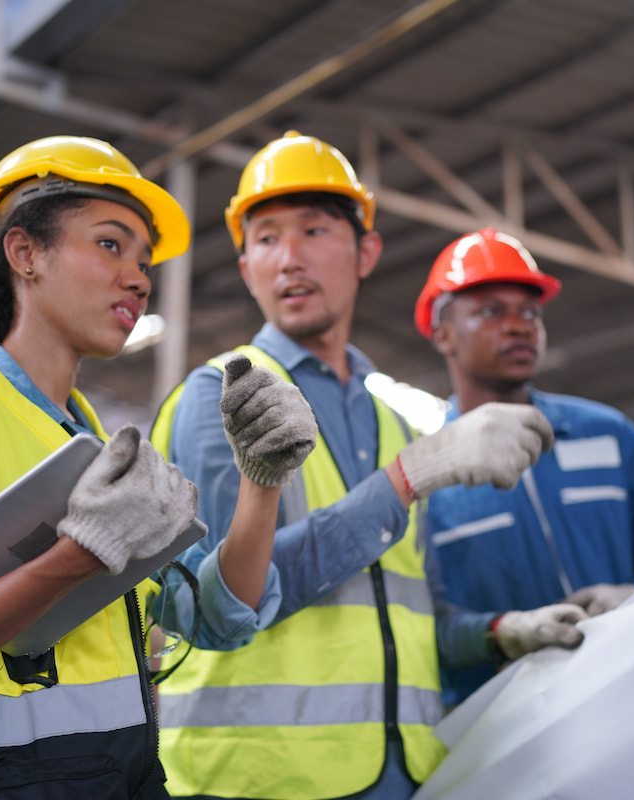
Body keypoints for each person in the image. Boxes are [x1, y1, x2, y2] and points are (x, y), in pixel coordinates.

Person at [0, 135, 317, 800]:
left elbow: (214, 616)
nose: (139, 278)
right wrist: (74, 559)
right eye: (110, 244)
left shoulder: (94, 445)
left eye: (144, 262)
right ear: (25, 254)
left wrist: (262, 482)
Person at [150, 131, 586, 800]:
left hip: (402, 775)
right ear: (245, 269)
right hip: (257, 779)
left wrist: (505, 632)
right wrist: (406, 479)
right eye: (265, 239)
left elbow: (414, 619)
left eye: (315, 230)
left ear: (366, 252)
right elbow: (222, 604)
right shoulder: (224, 396)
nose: (289, 258)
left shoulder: (393, 422)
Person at [414, 227, 634, 706]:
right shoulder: (430, 474)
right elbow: (424, 621)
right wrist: (504, 635)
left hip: (632, 694)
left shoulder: (608, 435)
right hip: (499, 723)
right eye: (491, 311)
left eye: (530, 312)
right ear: (442, 333)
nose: (519, 325)